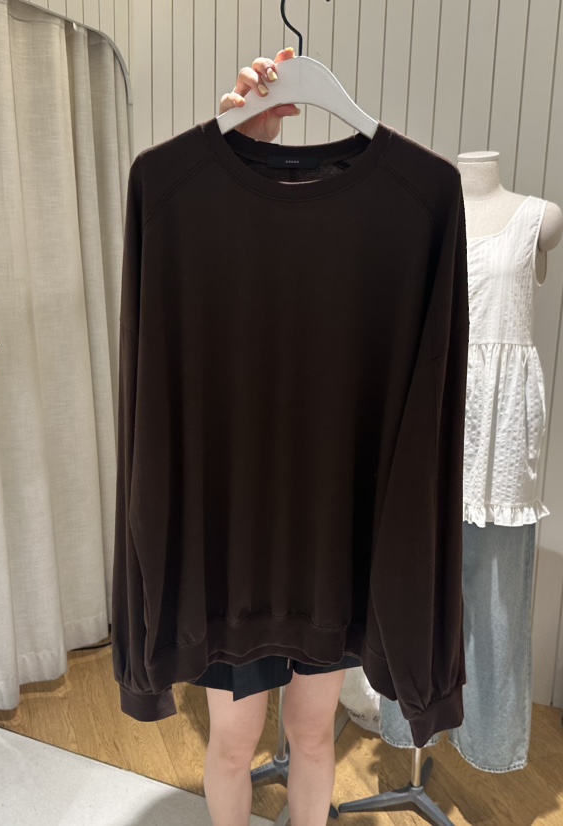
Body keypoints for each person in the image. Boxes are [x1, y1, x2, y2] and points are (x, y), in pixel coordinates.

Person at [195, 47, 361, 826]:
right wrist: (235, 144)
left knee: (314, 733)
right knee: (233, 742)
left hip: (329, 529)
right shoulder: (201, 210)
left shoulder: (377, 216)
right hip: (235, 534)